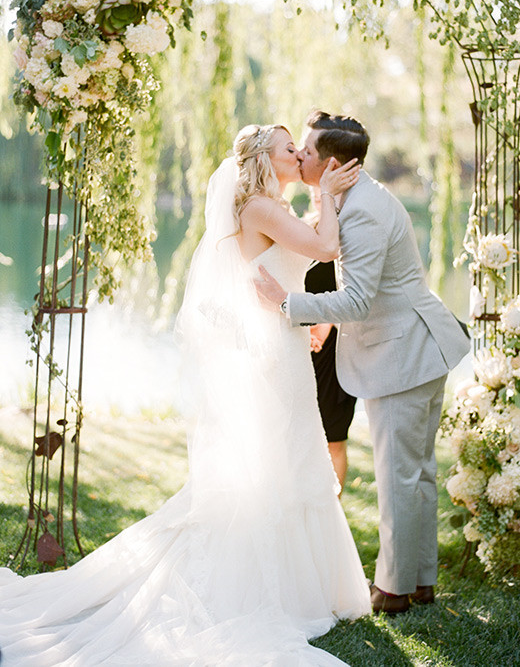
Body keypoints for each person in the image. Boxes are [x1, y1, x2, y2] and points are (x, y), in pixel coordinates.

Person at [0, 123, 370, 666]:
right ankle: (276, 589)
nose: (299, 154)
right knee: (278, 464)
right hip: (275, 358)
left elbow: (307, 249)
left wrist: (312, 279)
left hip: (284, 348)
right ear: (265, 161)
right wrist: (330, 195)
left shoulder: (271, 207)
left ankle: (311, 588)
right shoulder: (261, 208)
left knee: (292, 462)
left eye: (299, 147)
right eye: (288, 148)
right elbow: (326, 245)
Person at [255, 110, 471, 616]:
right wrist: (326, 320)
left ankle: (394, 589)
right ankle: (419, 580)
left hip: (405, 352)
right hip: (413, 344)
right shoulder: (353, 198)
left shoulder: (364, 210)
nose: (300, 158)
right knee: (414, 471)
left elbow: (355, 300)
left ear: (331, 163)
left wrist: (290, 304)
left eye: (306, 152)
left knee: (400, 473)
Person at [304, 188, 357, 493]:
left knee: (333, 438)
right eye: (313, 187)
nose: (318, 195)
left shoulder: (353, 233)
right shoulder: (302, 229)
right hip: (300, 344)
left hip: (337, 347)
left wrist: (328, 324)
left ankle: (332, 514)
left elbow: (363, 297)